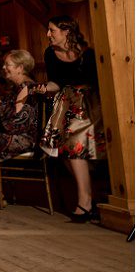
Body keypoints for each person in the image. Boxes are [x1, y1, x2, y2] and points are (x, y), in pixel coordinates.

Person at [34, 15, 104, 222]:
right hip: (67, 104)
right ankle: (89, 198)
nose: (48, 34)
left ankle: (85, 202)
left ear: (66, 32)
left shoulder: (87, 53)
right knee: (61, 151)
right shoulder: (50, 53)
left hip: (91, 105)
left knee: (76, 149)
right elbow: (57, 82)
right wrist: (45, 88)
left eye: (51, 30)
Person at [0, 50, 39, 207]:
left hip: (26, 138)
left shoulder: (26, 87)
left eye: (8, 64)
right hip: (18, 134)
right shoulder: (16, 87)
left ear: (20, 68)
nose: (4, 67)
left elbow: (16, 122)